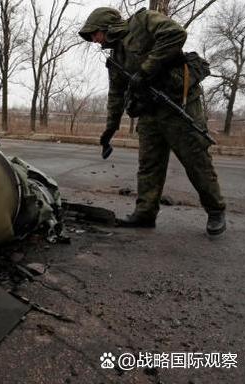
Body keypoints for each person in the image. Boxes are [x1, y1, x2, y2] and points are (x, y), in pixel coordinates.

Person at [78, 7, 226, 235]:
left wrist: (146, 70)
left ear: (108, 27)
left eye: (95, 34)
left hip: (178, 104)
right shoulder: (116, 57)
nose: (95, 40)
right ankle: (145, 213)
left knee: (195, 160)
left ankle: (216, 211)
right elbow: (116, 94)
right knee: (149, 165)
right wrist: (110, 129)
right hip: (149, 111)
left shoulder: (143, 21)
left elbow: (176, 34)